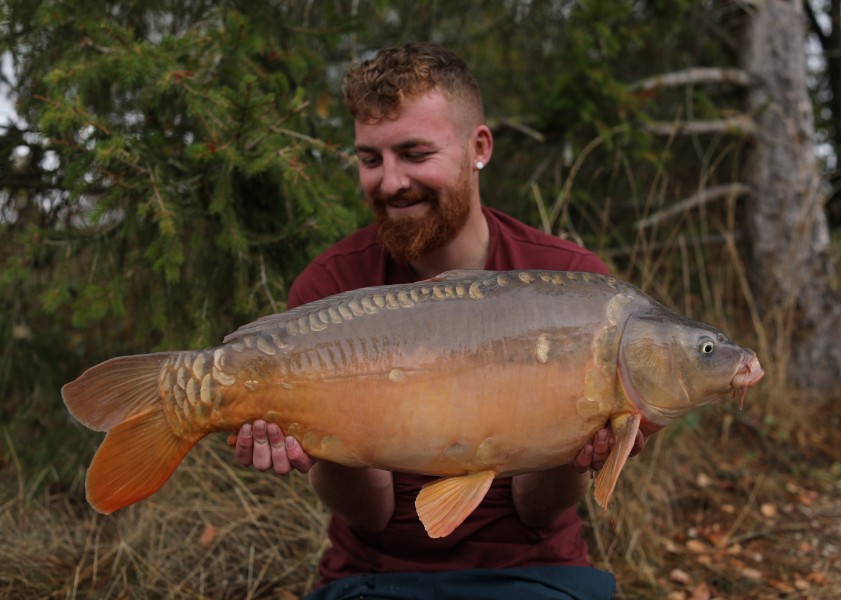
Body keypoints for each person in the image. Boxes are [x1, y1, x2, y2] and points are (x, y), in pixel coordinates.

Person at [234, 42, 645, 600]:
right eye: (370, 159)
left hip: (536, 572)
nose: (390, 182)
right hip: (375, 575)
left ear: (479, 147)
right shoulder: (331, 288)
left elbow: (534, 508)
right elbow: (372, 514)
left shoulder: (576, 287)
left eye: (414, 153)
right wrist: (316, 444)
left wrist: (583, 452)